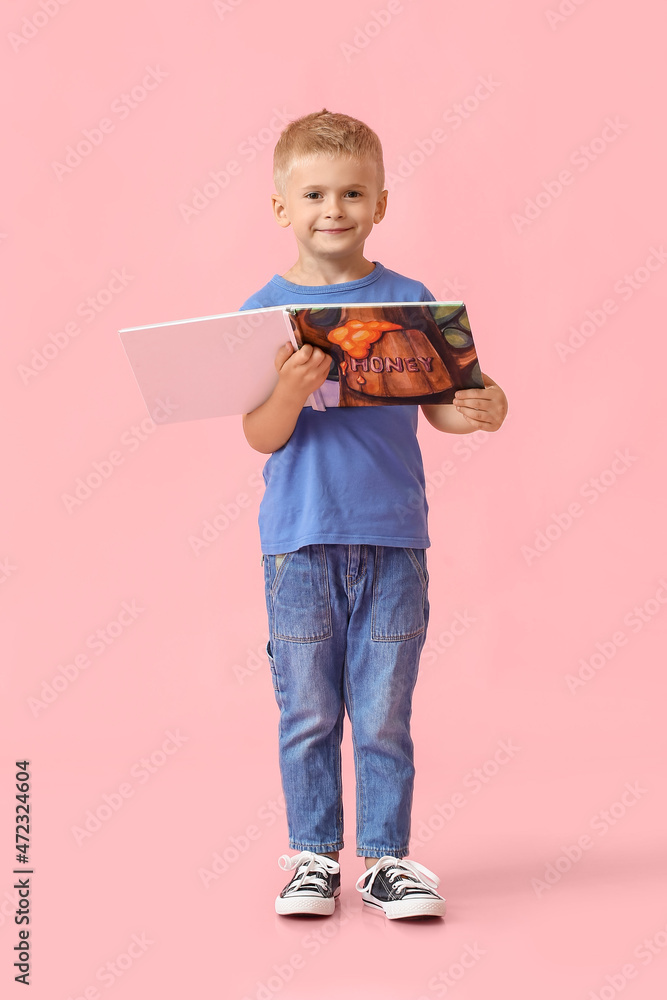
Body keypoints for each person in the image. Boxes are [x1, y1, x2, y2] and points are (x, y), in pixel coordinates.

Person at [239, 108, 508, 920]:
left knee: (384, 711)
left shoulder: (411, 300)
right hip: (297, 545)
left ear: (380, 203)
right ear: (281, 208)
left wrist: (482, 408)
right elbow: (260, 434)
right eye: (314, 193)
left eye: (352, 192)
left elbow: (445, 410)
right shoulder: (259, 312)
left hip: (393, 540)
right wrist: (287, 390)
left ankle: (385, 859)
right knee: (308, 709)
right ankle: (312, 857)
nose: (334, 209)